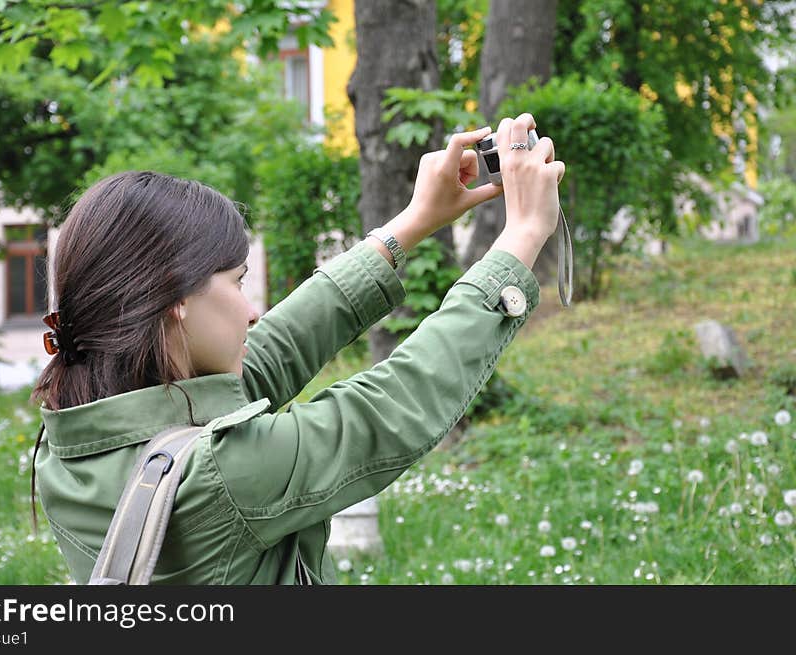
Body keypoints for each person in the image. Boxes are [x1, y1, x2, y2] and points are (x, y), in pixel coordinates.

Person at [31, 112, 565, 584]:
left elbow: (276, 347)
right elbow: (391, 407)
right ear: (175, 301)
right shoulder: (222, 477)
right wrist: (521, 237)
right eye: (238, 283)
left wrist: (411, 223)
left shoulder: (73, 437)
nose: (251, 311)